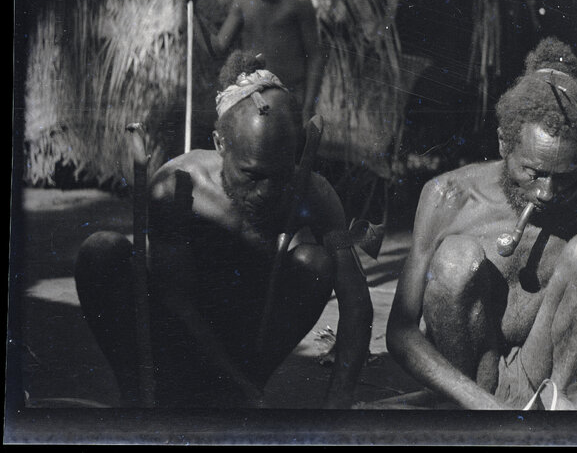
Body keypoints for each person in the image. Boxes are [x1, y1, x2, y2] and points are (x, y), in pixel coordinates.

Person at [74, 51, 372, 408]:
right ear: (220, 144)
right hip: (173, 330)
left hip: (246, 336)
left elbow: (356, 304)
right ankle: (138, 394)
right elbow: (177, 301)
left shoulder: (313, 190)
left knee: (316, 262)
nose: (266, 192)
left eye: (280, 175)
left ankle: (239, 392)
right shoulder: (178, 186)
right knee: (101, 249)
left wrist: (337, 402)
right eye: (252, 174)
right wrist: (234, 380)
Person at [386, 37, 577, 410]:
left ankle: (543, 402)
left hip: (541, 380)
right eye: (534, 172)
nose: (547, 192)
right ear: (503, 144)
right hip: (468, 381)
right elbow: (400, 334)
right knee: (454, 258)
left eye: (564, 176)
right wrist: (480, 404)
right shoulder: (447, 196)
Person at [179, 0, 325, 127]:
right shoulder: (243, 0)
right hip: (253, 103)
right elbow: (217, 49)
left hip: (290, 103)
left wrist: (308, 107)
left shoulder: (299, 3)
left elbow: (315, 57)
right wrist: (192, 9)